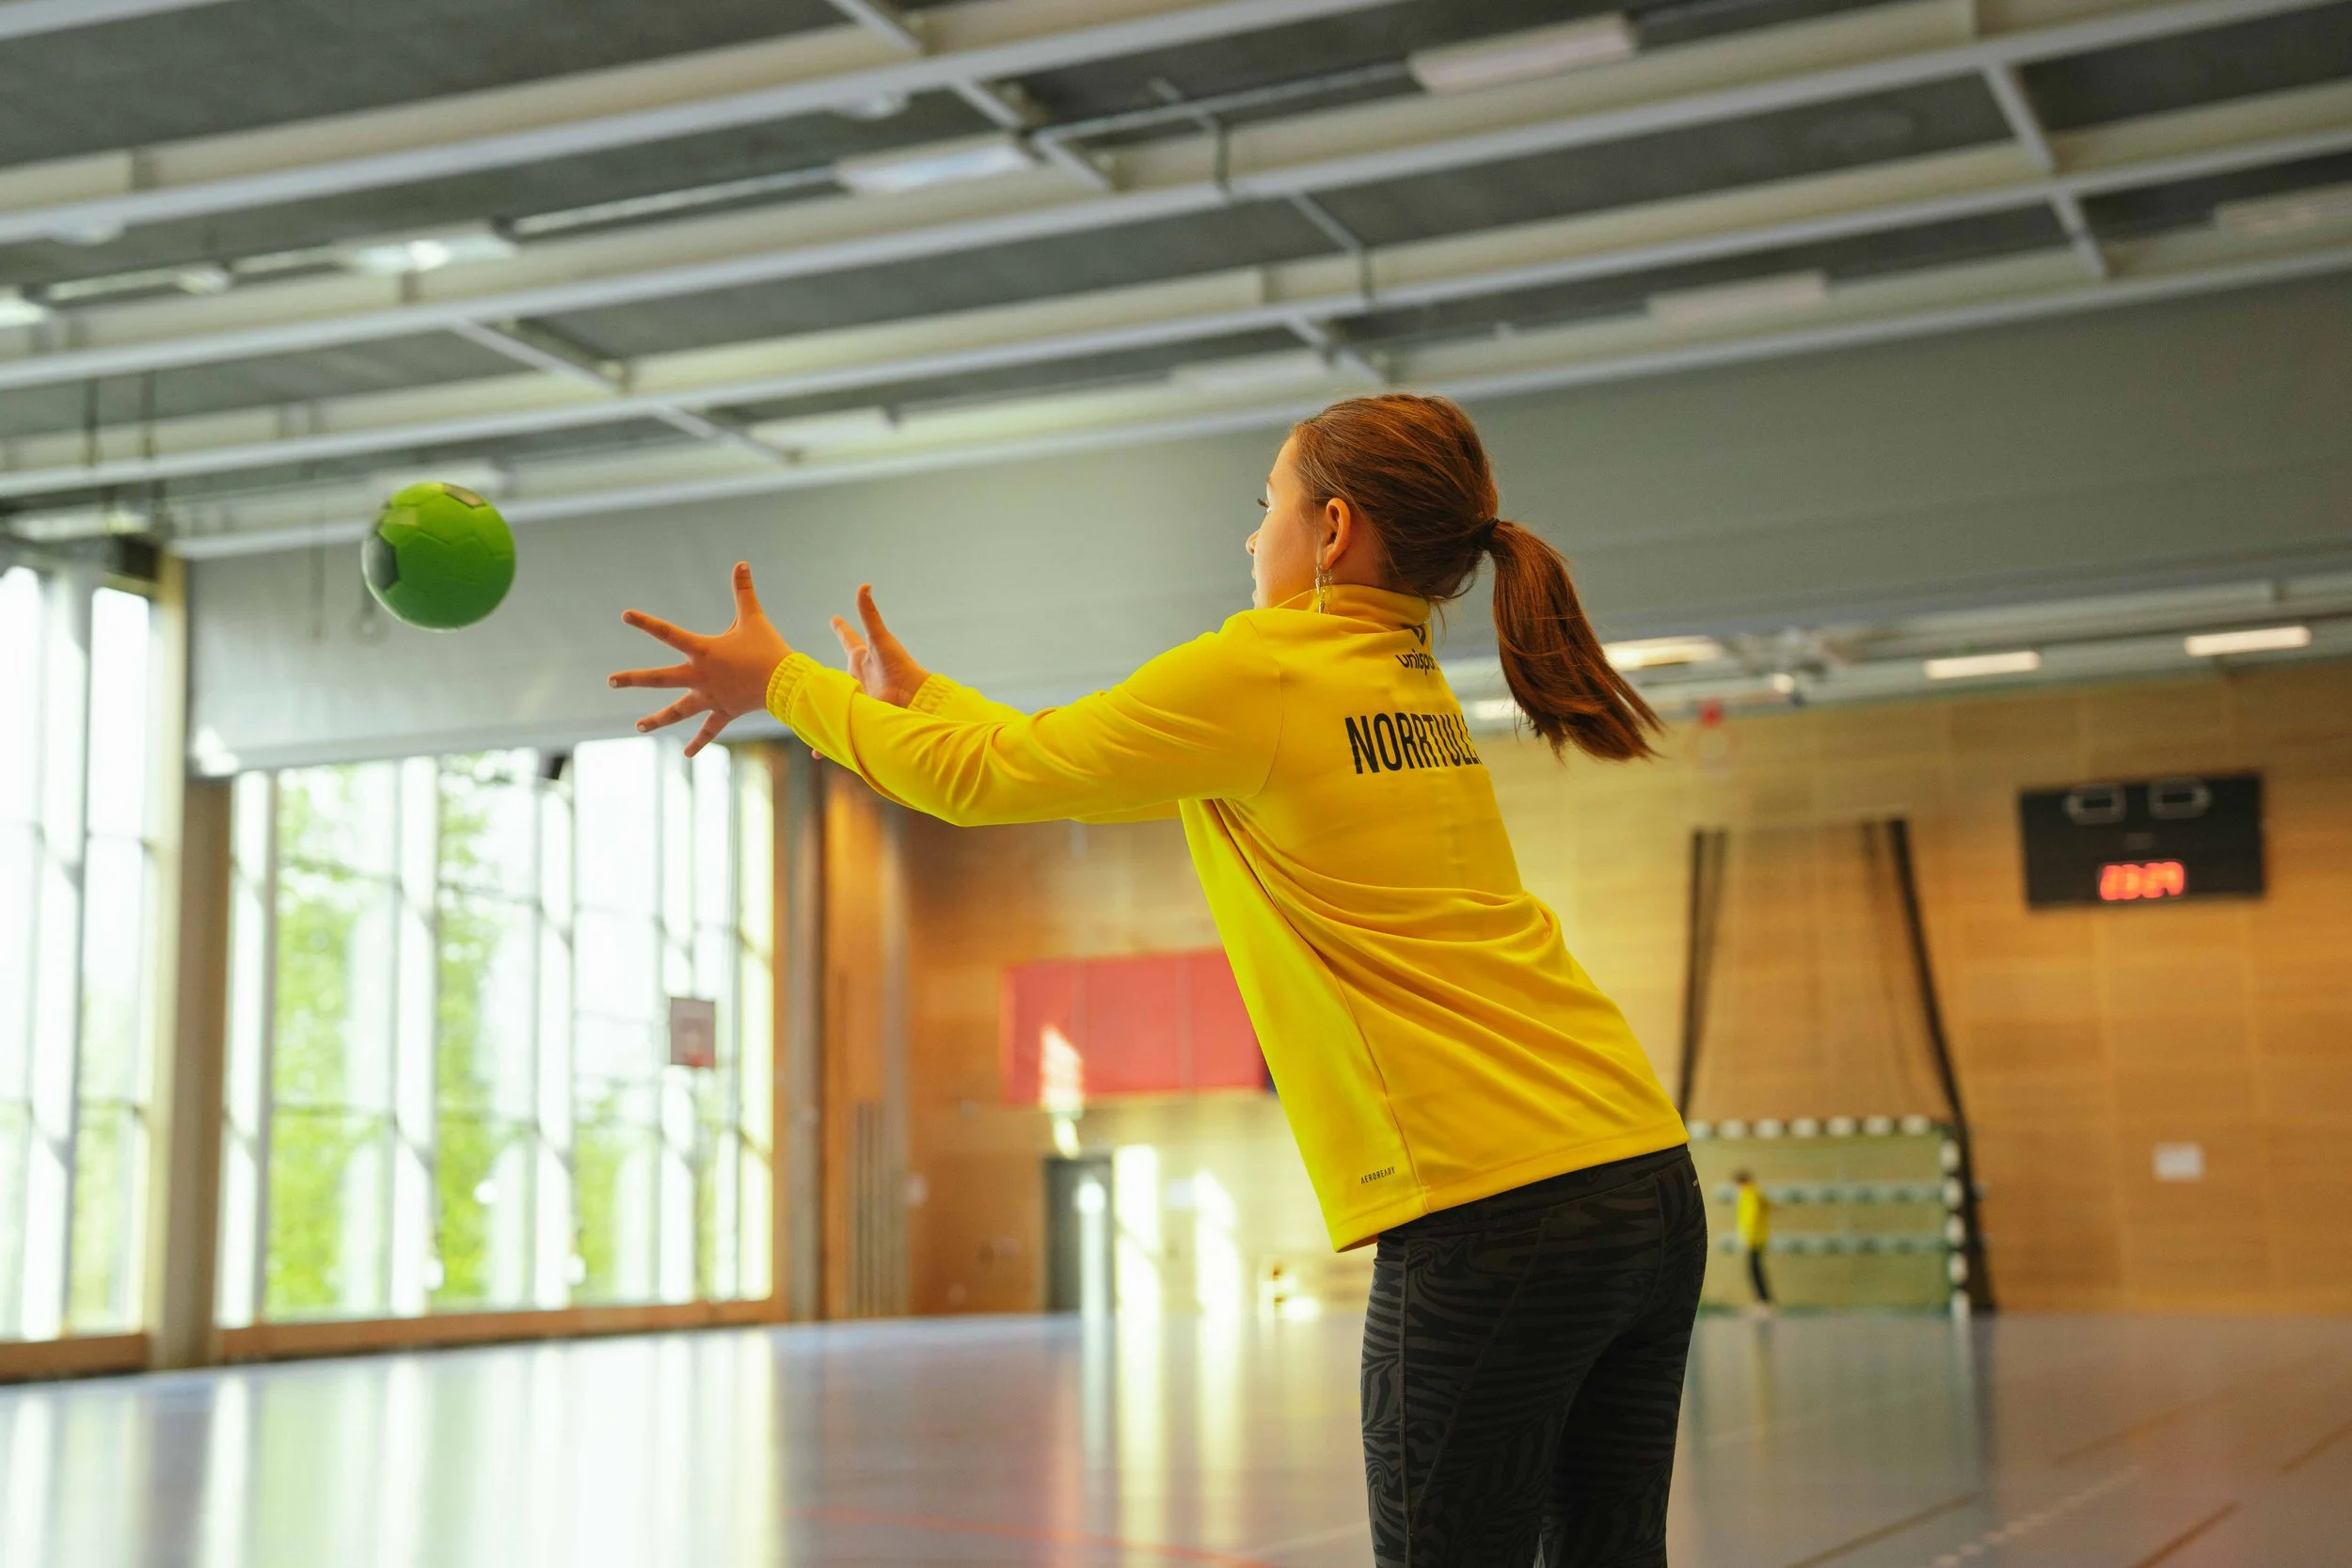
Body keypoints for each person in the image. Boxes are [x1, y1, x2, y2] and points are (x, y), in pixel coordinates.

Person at [611, 393, 1707, 1567]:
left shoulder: (1268, 673)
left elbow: (994, 781)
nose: (1250, 537)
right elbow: (1054, 752)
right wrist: (921, 702)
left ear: (1331, 529)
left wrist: (784, 683)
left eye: (1265, 506)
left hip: (1498, 1208)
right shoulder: (1405, 678)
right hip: (1642, 1173)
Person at [1734, 1170, 1774, 1314]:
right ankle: (1763, 1301)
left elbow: (1751, 1216)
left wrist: (1747, 1237)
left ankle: (1764, 1302)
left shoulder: (1749, 1194)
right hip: (1757, 1238)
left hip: (1753, 1239)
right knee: (1755, 1270)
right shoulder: (1755, 1193)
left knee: (1754, 1271)